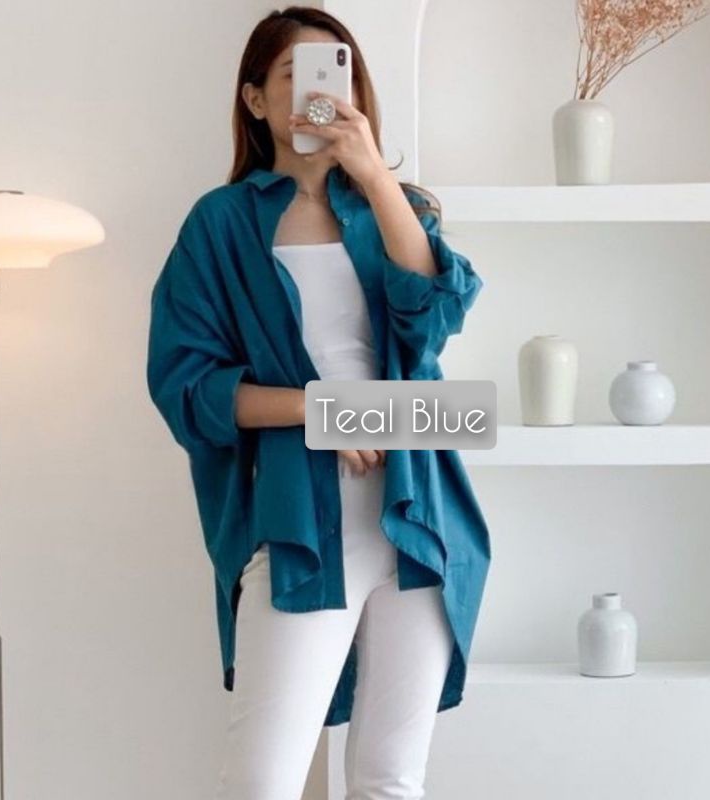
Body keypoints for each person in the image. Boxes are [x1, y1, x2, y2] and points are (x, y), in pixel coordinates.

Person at [146, 6, 492, 799]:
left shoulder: (398, 209)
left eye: (341, 75)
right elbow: (185, 389)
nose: (323, 94)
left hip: (417, 515)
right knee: (262, 781)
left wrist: (375, 177)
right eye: (294, 75)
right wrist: (321, 409)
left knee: (389, 779)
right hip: (298, 521)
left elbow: (434, 323)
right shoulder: (221, 225)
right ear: (255, 99)